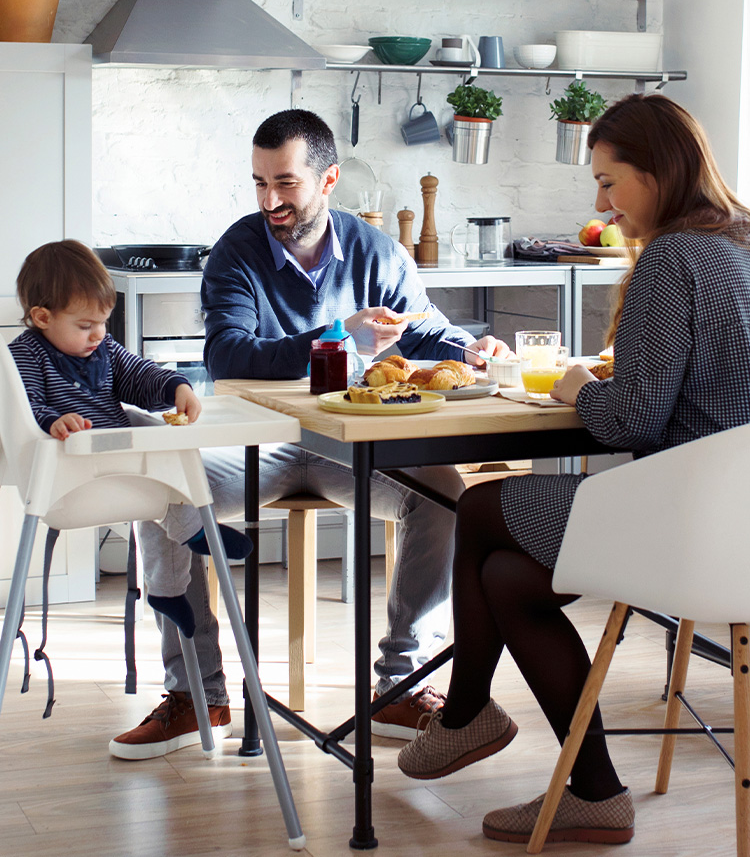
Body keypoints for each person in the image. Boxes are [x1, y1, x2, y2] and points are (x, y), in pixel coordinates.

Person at [397, 93, 750, 844]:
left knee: (481, 508)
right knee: (508, 579)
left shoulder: (674, 258)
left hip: (681, 525)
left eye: (608, 181)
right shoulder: (742, 243)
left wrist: (578, 386)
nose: (601, 205)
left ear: (657, 172)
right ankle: (593, 795)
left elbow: (632, 421)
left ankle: (466, 713)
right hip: (739, 531)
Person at [110, 108, 511, 759]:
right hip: (259, 445)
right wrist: (339, 335)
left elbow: (425, 330)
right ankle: (195, 695)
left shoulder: (377, 251)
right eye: (259, 183)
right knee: (160, 487)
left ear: (329, 180)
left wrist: (472, 350)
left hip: (348, 447)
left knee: (446, 493)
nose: (270, 199)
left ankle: (403, 687)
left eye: (285, 183)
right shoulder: (236, 253)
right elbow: (229, 357)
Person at [10, 240, 253, 647]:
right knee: (168, 491)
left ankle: (167, 591)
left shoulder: (103, 349)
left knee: (171, 461)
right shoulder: (26, 355)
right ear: (42, 317)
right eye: (85, 325)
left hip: (120, 461)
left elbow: (139, 374)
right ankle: (196, 535)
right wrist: (53, 421)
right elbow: (24, 404)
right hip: (71, 474)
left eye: (103, 322)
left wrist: (176, 387)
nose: (98, 334)